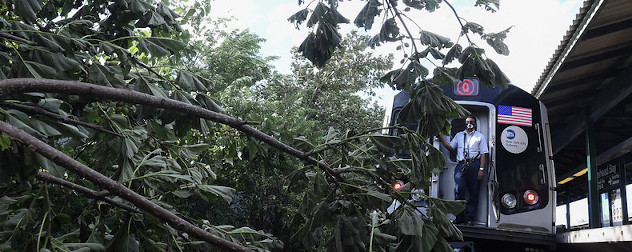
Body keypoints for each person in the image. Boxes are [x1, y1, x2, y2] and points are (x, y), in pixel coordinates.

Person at [437, 116, 488, 225]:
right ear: (465, 123)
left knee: (474, 192)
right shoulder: (459, 135)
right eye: (468, 122)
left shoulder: (480, 137)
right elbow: (450, 147)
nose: (470, 124)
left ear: (475, 124)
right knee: (459, 190)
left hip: (475, 165)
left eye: (472, 122)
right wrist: (441, 137)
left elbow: (484, 153)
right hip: (461, 165)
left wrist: (481, 169)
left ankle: (469, 218)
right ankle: (459, 218)